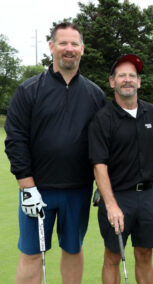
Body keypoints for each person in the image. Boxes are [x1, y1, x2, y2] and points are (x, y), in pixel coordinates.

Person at [4, 22, 105, 284]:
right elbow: (15, 140)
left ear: (82, 49)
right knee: (32, 253)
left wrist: (105, 185)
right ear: (51, 47)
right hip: (38, 190)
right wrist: (27, 188)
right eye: (63, 43)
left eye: (74, 44)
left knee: (73, 249)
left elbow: (105, 144)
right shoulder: (29, 90)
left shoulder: (95, 94)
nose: (69, 49)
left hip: (78, 189)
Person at [88, 54, 153, 284]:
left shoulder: (151, 112)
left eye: (132, 76)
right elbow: (99, 165)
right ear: (112, 82)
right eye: (121, 75)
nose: (127, 80)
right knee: (113, 256)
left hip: (148, 196)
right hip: (117, 197)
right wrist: (111, 205)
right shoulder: (102, 118)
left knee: (145, 254)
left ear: (139, 82)